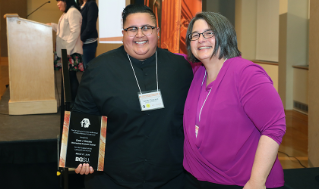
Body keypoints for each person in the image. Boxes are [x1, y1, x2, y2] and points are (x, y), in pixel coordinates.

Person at [73, 4, 193, 189]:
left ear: (157, 31)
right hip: (113, 180)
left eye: (147, 28)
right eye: (132, 29)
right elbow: (83, 117)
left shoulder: (180, 68)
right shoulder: (99, 69)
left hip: (171, 179)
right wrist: (82, 155)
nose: (140, 35)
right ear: (123, 33)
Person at [183, 12, 286, 189]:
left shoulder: (246, 73)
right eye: (195, 35)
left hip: (239, 182)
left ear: (225, 35)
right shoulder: (197, 72)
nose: (201, 39)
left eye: (209, 33)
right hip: (196, 178)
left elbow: (274, 126)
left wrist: (256, 182)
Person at [49, 0, 83, 102]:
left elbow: (75, 31)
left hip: (70, 52)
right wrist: (51, 25)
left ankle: (74, 105)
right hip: (66, 51)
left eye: (59, 1)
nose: (57, 4)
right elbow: (63, 31)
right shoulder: (66, 13)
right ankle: (70, 103)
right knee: (68, 78)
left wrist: (68, 50)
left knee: (71, 78)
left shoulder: (73, 12)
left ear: (66, 1)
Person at [77, 0, 98, 70]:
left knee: (88, 69)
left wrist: (81, 39)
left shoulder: (91, 4)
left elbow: (90, 26)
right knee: (83, 69)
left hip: (88, 43)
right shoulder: (79, 6)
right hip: (80, 42)